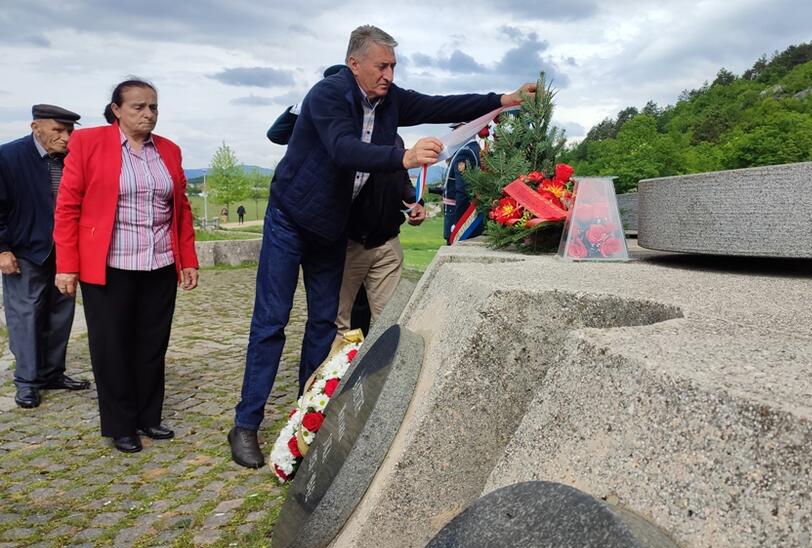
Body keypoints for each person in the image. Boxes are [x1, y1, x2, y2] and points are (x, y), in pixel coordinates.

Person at [228, 24, 535, 469]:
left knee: (322, 325)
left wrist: (501, 99)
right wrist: (404, 157)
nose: (389, 73)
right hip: (290, 219)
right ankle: (245, 425)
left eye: (393, 65)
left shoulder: (390, 99)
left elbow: (439, 104)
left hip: (331, 228)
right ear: (355, 64)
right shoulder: (327, 95)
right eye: (381, 65)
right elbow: (342, 149)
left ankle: (304, 418)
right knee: (272, 321)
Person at [53, 78, 199, 454]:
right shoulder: (88, 144)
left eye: (153, 107)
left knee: (152, 344)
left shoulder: (168, 150)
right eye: (138, 107)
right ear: (117, 109)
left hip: (159, 264)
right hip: (109, 266)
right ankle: (121, 425)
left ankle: (149, 416)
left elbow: (179, 210)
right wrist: (66, 266)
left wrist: (188, 259)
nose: (148, 114)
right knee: (112, 346)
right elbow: (67, 208)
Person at [0, 104, 90, 409]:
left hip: (65, 252)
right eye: (58, 130)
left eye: (69, 131)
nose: (66, 138)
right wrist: (2, 249)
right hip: (25, 251)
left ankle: (53, 373)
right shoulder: (8, 157)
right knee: (25, 318)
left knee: (61, 315)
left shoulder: (73, 159)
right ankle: (27, 382)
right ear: (35, 127)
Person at [336, 135, 425, 338]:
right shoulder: (348, 138)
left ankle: (380, 368)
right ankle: (342, 368)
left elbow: (402, 182)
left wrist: (415, 202)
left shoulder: (396, 140)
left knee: (388, 321)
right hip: (350, 244)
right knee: (341, 322)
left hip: (387, 244)